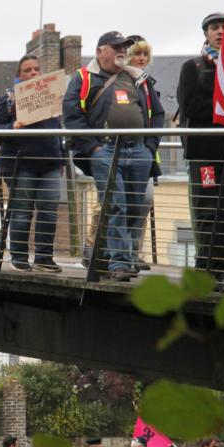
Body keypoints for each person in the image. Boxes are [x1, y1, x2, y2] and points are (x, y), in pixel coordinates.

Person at [63, 32, 165, 281]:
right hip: (106, 150)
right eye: (116, 46)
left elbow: (158, 113)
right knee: (115, 204)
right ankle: (118, 263)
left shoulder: (138, 78)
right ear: (100, 51)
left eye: (124, 47)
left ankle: (123, 257)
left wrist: (150, 147)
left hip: (139, 150)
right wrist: (93, 149)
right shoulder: (84, 78)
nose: (122, 51)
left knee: (134, 206)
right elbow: (72, 114)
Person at [178, 13, 224, 291]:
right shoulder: (193, 67)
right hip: (204, 150)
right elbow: (189, 107)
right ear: (206, 33)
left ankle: (218, 265)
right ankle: (215, 267)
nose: (220, 31)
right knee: (209, 209)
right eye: (214, 28)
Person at [0, 55, 64, 272]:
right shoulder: (10, 99)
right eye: (28, 70)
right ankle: (20, 256)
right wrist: (12, 127)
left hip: (50, 162)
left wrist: (61, 155)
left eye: (36, 69)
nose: (33, 73)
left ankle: (43, 258)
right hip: (21, 163)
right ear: (19, 75)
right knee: (22, 210)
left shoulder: (51, 95)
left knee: (49, 209)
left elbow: (57, 128)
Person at [127, 38, 162, 271]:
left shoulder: (148, 84)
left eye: (144, 54)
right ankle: (118, 251)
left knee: (144, 199)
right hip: (124, 150)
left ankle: (133, 251)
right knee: (121, 201)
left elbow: (158, 114)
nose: (141, 59)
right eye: (136, 54)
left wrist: (150, 147)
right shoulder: (121, 80)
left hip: (144, 153)